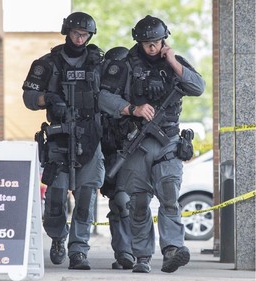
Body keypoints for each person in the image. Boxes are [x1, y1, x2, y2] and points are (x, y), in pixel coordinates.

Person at [98, 15, 205, 273]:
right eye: (146, 43)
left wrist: (172, 61)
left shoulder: (173, 63)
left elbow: (198, 87)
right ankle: (142, 256)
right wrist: (131, 108)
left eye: (156, 42)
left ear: (163, 40)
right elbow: (101, 97)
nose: (151, 47)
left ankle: (172, 250)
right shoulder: (123, 66)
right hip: (136, 142)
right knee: (138, 203)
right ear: (139, 42)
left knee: (169, 196)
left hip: (167, 141)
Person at [22, 12, 105, 270]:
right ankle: (57, 237)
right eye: (76, 33)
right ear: (67, 32)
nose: (80, 39)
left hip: (90, 136)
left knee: (86, 197)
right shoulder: (48, 63)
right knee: (56, 197)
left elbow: (113, 93)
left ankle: (79, 250)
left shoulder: (98, 62)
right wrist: (49, 99)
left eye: (85, 35)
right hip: (59, 136)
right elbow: (28, 97)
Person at [100, 46, 136, 270]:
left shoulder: (134, 97)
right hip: (107, 156)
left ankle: (130, 252)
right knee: (117, 204)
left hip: (130, 156)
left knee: (126, 203)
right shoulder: (102, 95)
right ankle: (123, 252)